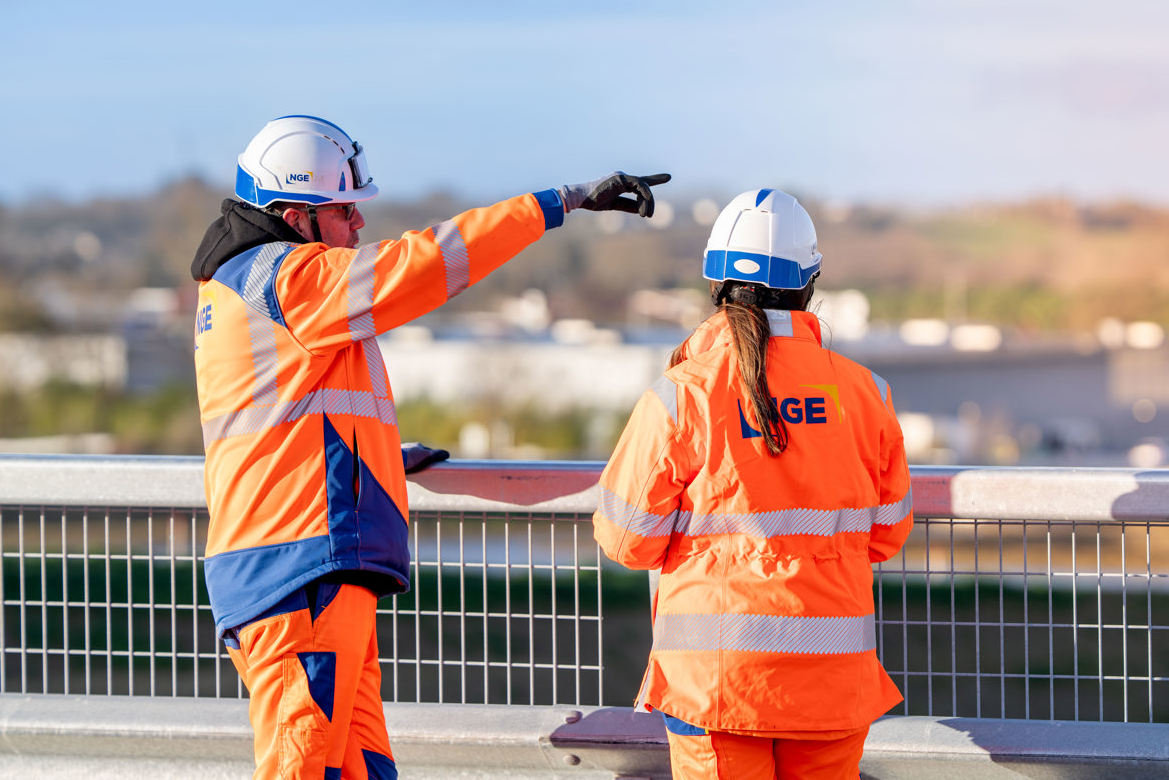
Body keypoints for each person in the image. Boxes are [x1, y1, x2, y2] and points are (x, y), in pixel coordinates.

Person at [190, 114, 669, 780]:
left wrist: (382, 452)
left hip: (300, 570)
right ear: (297, 217)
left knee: (357, 768)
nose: (358, 228)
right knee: (303, 769)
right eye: (344, 212)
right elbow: (428, 261)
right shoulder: (292, 282)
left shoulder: (246, 289)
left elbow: (296, 421)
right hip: (300, 575)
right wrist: (559, 202)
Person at [593, 188, 912, 780]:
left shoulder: (683, 393)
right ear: (809, 282)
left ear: (714, 284)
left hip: (716, 683)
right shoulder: (867, 394)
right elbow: (887, 535)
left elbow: (625, 541)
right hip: (831, 680)